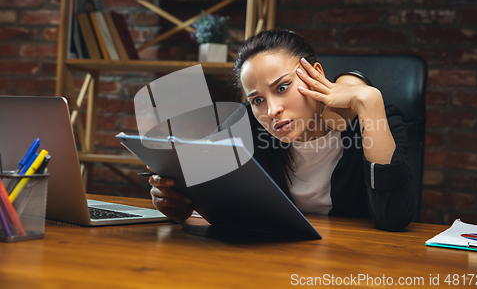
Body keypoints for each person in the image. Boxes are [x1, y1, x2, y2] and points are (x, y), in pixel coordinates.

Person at [149, 29, 414, 231]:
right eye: (257, 100)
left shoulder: (377, 119)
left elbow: (394, 218)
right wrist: (177, 200)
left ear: (315, 73)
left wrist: (369, 101)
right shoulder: (248, 123)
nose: (272, 110)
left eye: (282, 87)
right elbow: (195, 179)